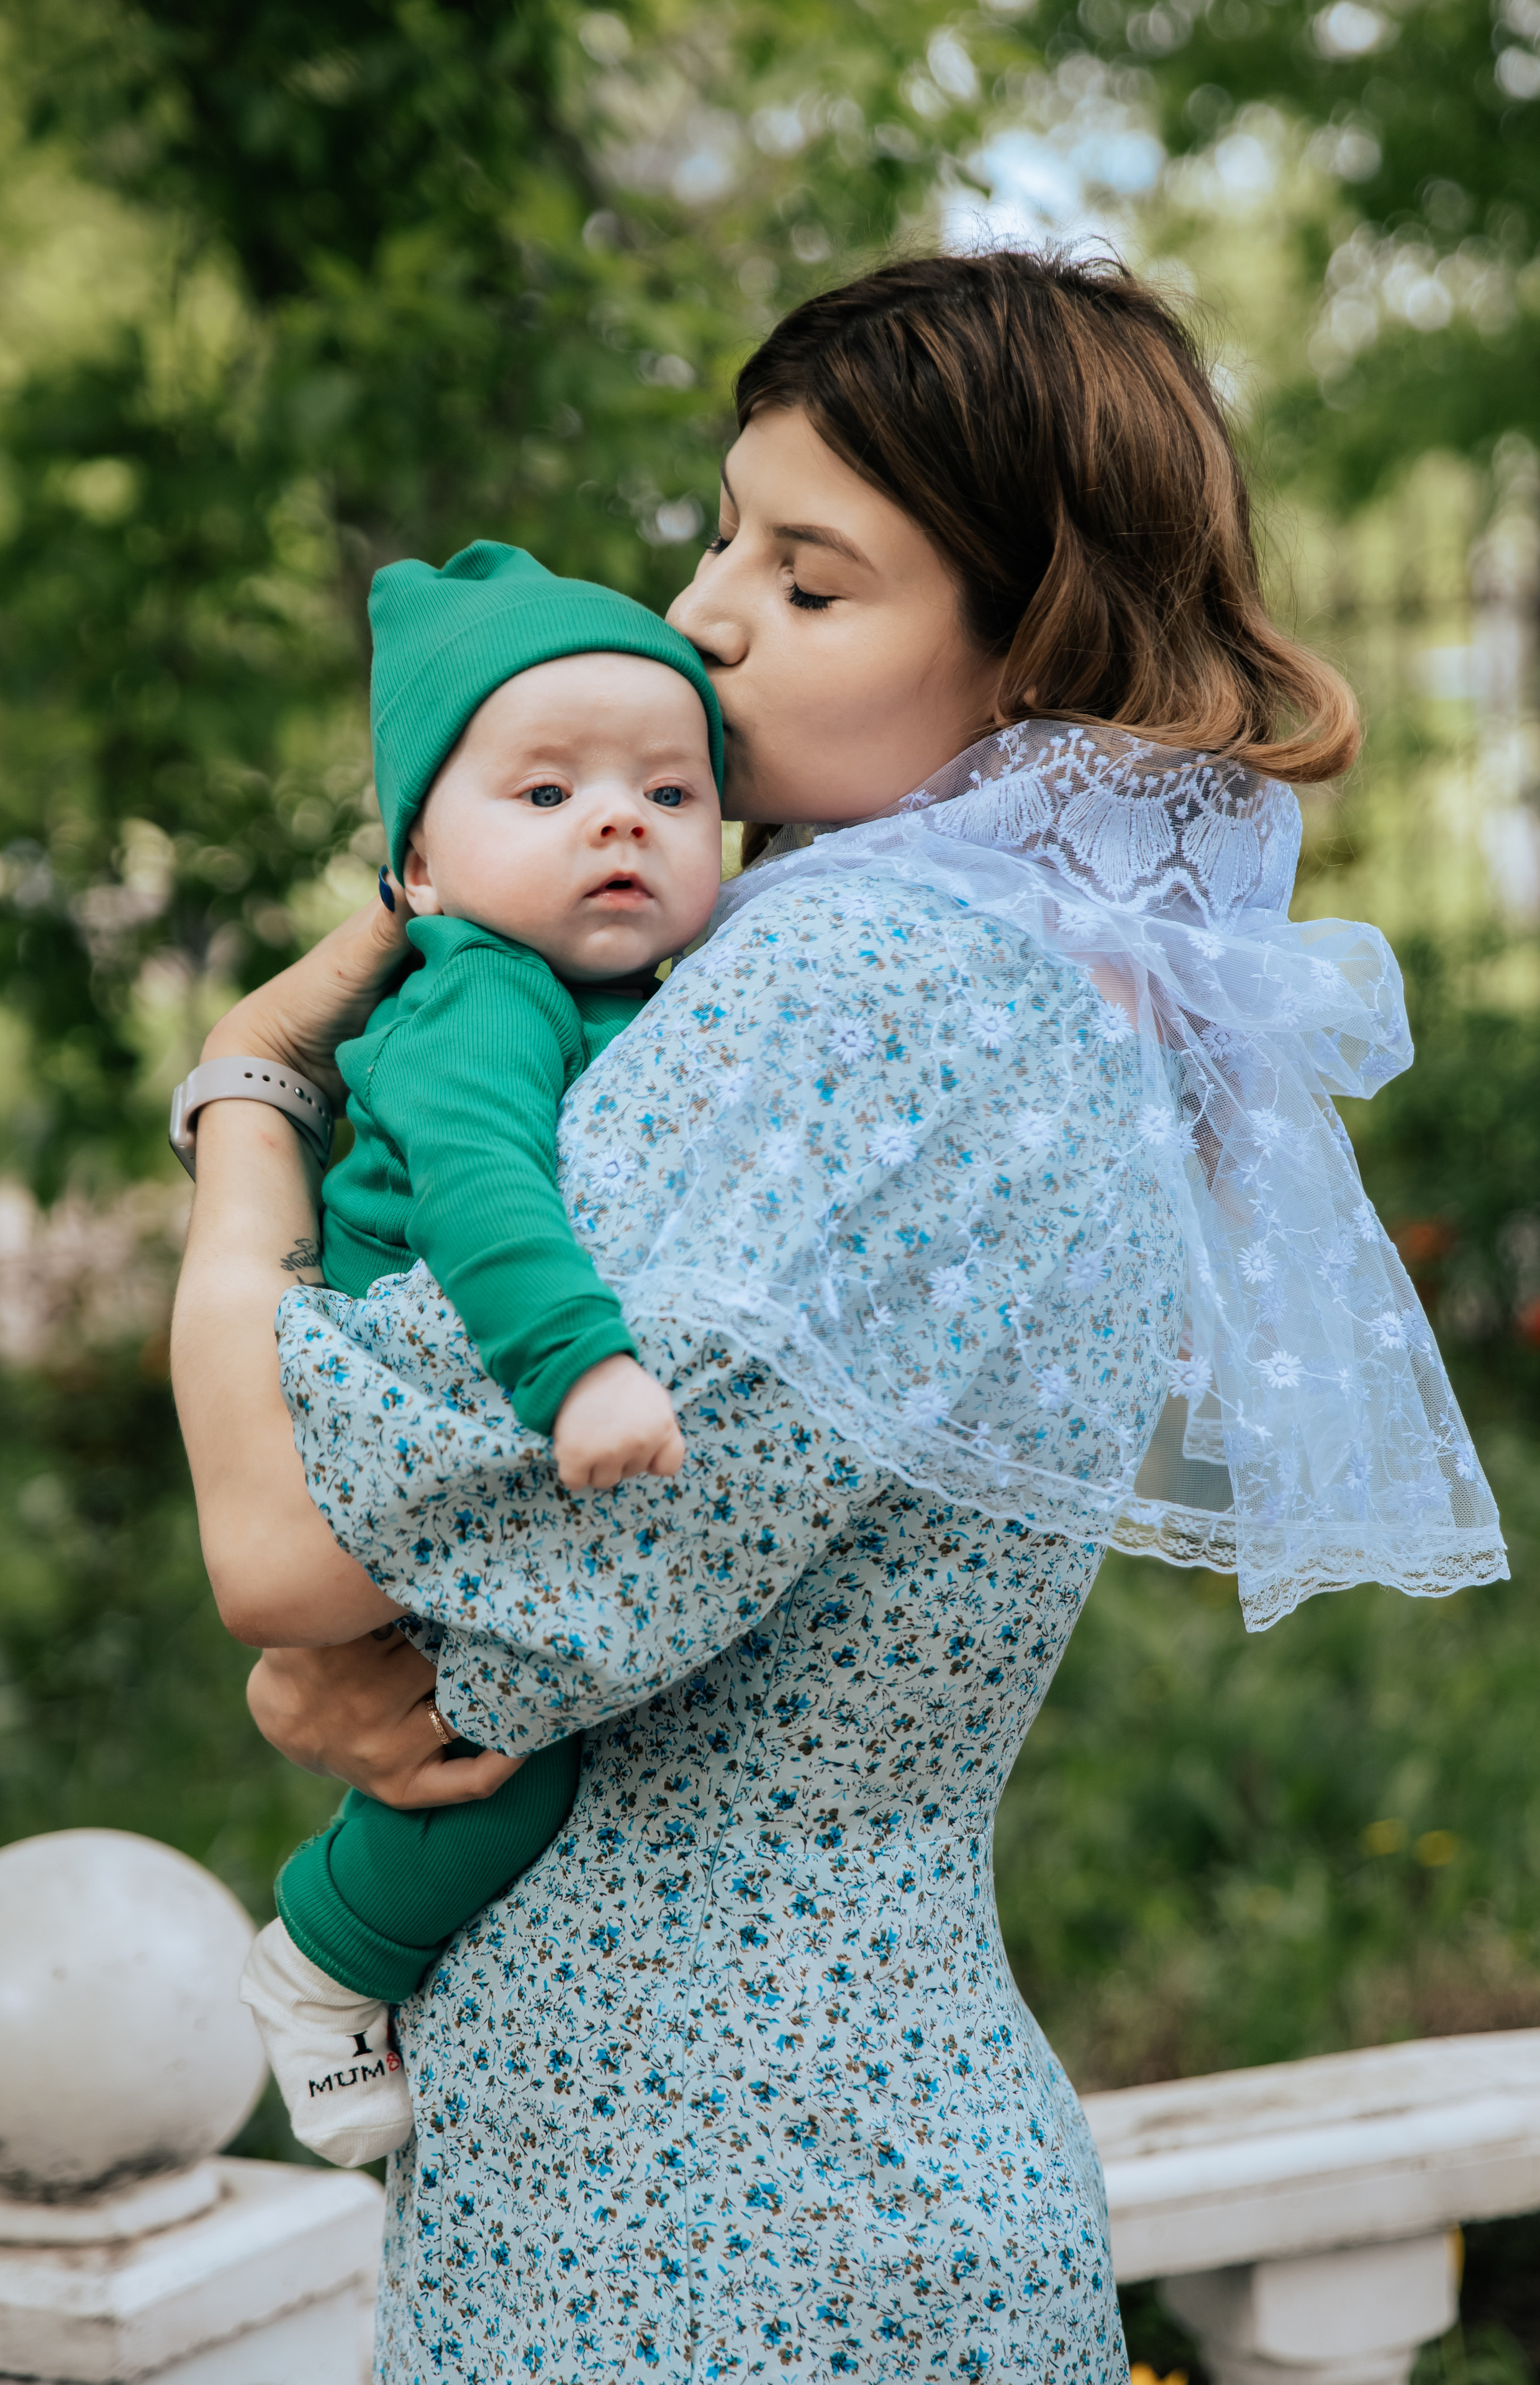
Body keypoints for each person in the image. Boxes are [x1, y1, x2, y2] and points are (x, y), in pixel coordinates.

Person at [171, 250, 1505, 2383]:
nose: (704, 613)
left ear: (1024, 655)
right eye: (724, 534)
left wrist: (248, 1097)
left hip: (703, 2218)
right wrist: (346, 1683)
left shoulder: (860, 994)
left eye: (811, 580)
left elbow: (288, 1552)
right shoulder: (1042, 986)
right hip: (804, 2158)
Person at [227, 540, 727, 2166]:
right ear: (420, 876)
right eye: (546, 793)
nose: (618, 821)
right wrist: (583, 1367)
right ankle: (321, 1959)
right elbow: (485, 1188)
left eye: (672, 793)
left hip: (479, 1421)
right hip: (399, 1408)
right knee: (497, 1763)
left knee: (508, 1727)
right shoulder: (481, 999)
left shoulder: (652, 990)